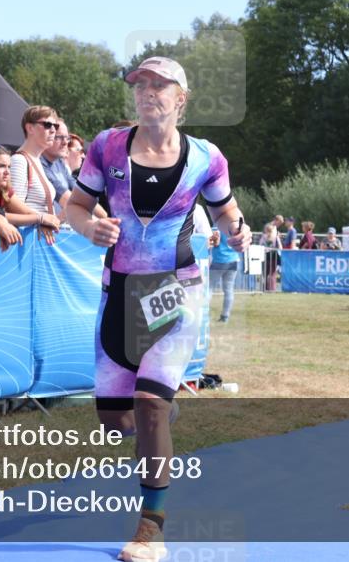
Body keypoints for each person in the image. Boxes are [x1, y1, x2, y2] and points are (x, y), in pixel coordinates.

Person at [66, 56, 251, 562]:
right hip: (119, 293)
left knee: (148, 407)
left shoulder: (206, 157)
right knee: (115, 421)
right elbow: (74, 205)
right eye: (140, 85)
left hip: (177, 291)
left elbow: (227, 210)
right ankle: (158, 414)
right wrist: (88, 228)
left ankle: (151, 530)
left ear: (181, 98)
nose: (147, 92)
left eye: (159, 85)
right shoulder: (107, 147)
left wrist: (239, 228)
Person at [0, 144, 60, 243]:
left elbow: (26, 212)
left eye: (9, 167)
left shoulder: (4, 191)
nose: (7, 172)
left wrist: (46, 221)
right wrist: (40, 218)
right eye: (1, 166)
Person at [10, 106, 59, 216]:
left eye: (55, 126)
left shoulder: (36, 161)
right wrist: (42, 219)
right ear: (30, 128)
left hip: (37, 231)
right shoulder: (19, 161)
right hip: (27, 232)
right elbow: (12, 206)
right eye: (47, 125)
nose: (53, 130)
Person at [40, 118, 75, 217]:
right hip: (48, 229)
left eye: (67, 138)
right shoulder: (40, 163)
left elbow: (80, 192)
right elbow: (67, 199)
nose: (65, 142)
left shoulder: (59, 162)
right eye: (59, 137)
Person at [260, 222, 282, 291]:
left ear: (266, 230)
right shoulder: (276, 237)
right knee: (272, 274)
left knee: (265, 273)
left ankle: (265, 288)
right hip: (273, 257)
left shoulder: (263, 237)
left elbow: (260, 245)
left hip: (265, 257)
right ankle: (272, 288)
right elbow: (280, 247)